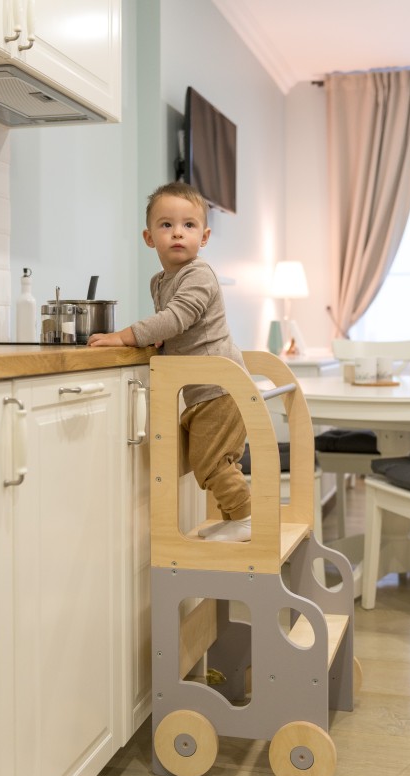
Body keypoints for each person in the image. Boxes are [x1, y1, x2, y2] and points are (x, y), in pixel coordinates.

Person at [88, 182, 251, 542]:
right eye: (166, 225)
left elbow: (177, 318)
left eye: (188, 225)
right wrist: (159, 339)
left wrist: (125, 336)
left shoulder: (199, 274)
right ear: (149, 238)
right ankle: (235, 520)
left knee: (211, 461)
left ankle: (244, 518)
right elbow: (176, 327)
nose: (178, 232)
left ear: (204, 237)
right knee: (211, 459)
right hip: (202, 390)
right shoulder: (160, 281)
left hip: (221, 388)